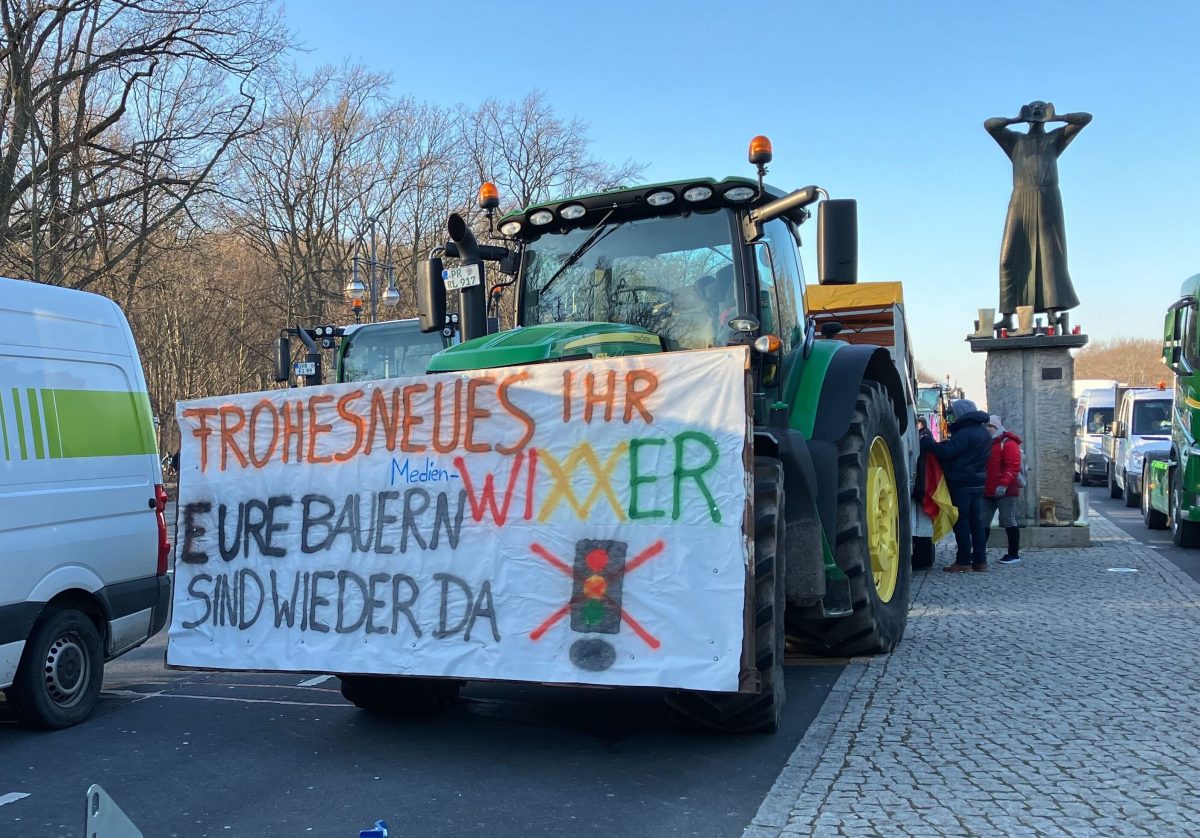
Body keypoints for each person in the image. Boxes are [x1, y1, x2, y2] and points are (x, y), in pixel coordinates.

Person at [985, 100, 1092, 332]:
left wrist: (1057, 117)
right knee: (1008, 257)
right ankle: (1008, 315)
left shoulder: (1054, 139)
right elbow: (990, 125)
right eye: (1032, 108)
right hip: (1020, 198)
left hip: (1047, 198)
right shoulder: (1015, 141)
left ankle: (1053, 311)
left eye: (1040, 108)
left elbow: (1085, 118)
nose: (1036, 111)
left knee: (1049, 254)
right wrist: (1015, 119)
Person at [919, 398, 993, 572]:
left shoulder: (965, 433)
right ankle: (980, 561)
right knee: (977, 522)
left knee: (961, 522)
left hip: (961, 483)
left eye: (954, 412)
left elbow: (947, 453)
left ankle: (964, 561)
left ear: (961, 413)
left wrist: (929, 443)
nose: (952, 416)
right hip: (978, 482)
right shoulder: (983, 432)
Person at [983, 415, 1023, 565]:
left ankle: (1013, 554)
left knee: (1008, 520)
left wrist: (1003, 484)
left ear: (996, 427)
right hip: (988, 489)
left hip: (1006, 490)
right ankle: (980, 552)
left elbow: (1012, 466)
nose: (987, 429)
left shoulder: (1008, 442)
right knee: (983, 521)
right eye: (986, 426)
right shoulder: (987, 443)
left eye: (990, 426)